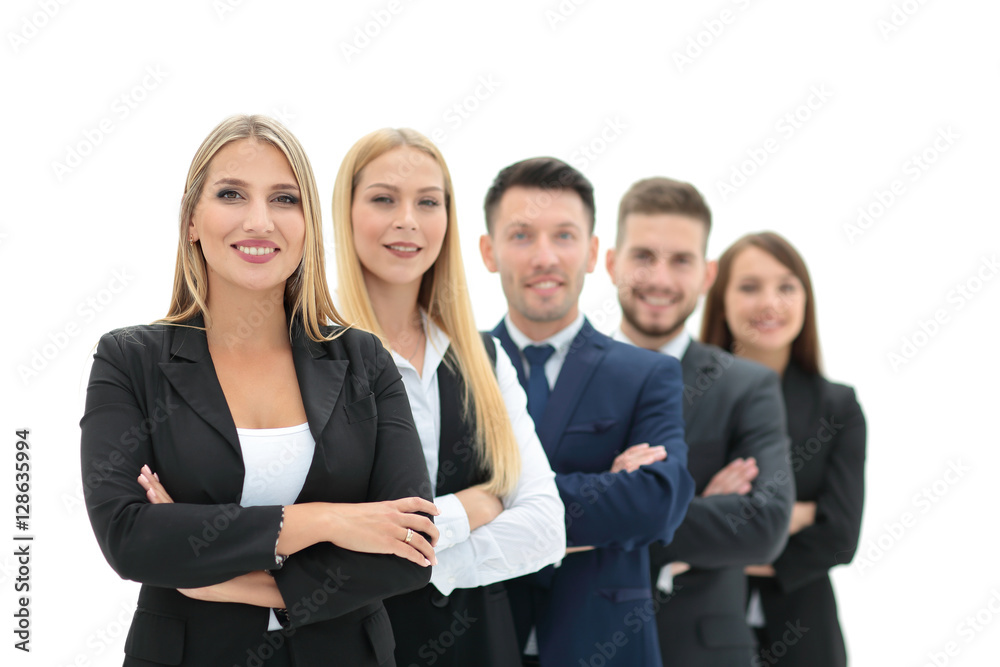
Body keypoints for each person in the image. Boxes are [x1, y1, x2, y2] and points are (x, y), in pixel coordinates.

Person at [80, 115, 438, 667]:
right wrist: (329, 520)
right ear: (192, 221)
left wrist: (232, 582)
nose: (259, 220)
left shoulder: (363, 360)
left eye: (284, 199)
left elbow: (410, 546)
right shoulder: (130, 360)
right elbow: (130, 537)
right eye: (231, 194)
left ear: (307, 224)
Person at [331, 128, 566, 666]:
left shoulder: (486, 358)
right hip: (348, 648)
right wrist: (474, 506)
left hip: (481, 646)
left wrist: (413, 561)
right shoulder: (307, 355)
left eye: (428, 202)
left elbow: (545, 528)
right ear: (346, 214)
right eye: (384, 198)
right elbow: (307, 543)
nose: (408, 219)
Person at [479, 157, 695, 666]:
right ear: (489, 252)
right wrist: (604, 490)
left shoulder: (647, 374)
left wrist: (487, 503)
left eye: (565, 236)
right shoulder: (451, 368)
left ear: (594, 252)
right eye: (521, 235)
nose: (545, 257)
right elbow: (427, 503)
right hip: (478, 642)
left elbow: (658, 502)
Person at [605, 177, 793, 666]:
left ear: (708, 275)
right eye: (643, 256)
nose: (660, 279)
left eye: (681, 260)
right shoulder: (561, 374)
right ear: (610, 263)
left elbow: (767, 525)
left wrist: (612, 506)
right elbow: (542, 513)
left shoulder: (746, 386)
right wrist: (692, 508)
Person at [701, 231, 866, 667]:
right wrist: (795, 513)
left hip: (805, 636)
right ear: (720, 299)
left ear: (806, 300)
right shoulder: (688, 395)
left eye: (787, 287)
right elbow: (668, 523)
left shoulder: (837, 406)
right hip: (698, 629)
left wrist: (721, 532)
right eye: (750, 286)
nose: (770, 303)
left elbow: (840, 536)